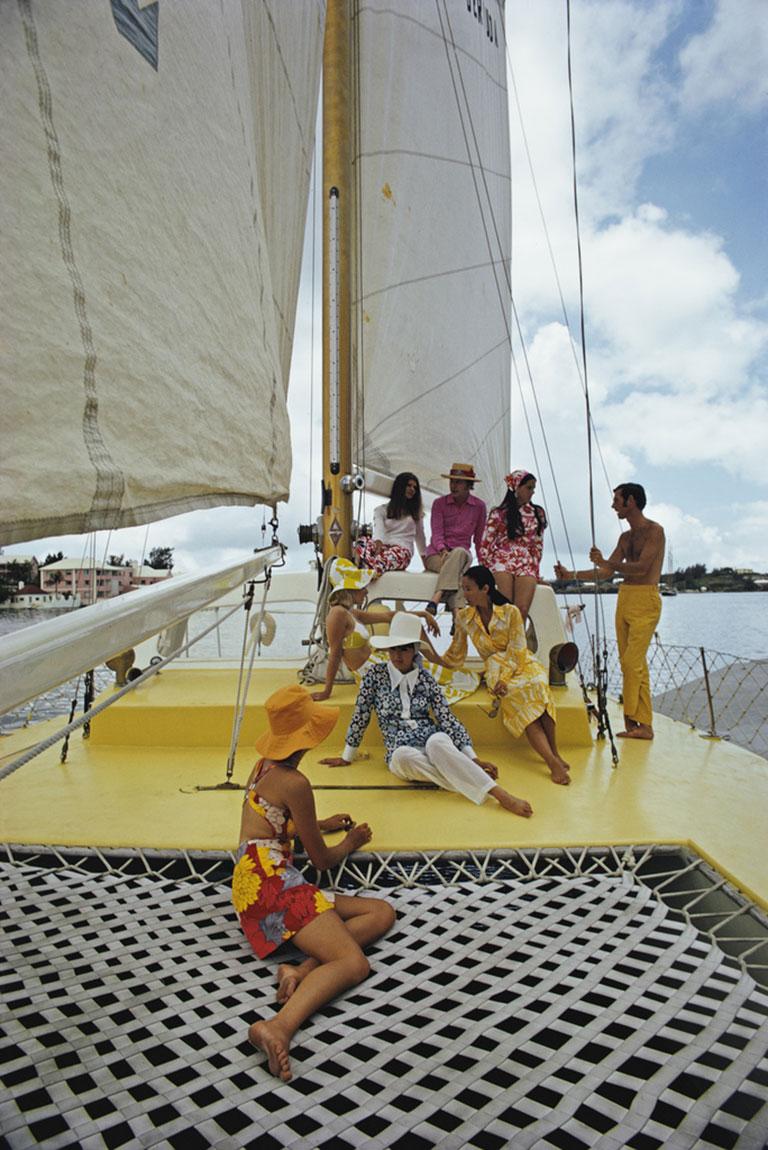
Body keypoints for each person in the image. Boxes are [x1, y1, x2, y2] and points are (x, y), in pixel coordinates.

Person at [233, 684, 396, 1082]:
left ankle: (300, 971)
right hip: (274, 886)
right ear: (308, 737)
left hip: (252, 879)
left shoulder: (263, 766)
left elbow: (275, 819)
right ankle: (279, 1027)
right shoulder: (296, 782)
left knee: (381, 912)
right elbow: (321, 860)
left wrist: (319, 824)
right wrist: (351, 841)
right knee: (352, 963)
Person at [320, 611, 533, 817]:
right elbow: (361, 715)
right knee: (403, 757)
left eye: (403, 649)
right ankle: (474, 779)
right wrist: (346, 756)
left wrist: (472, 757)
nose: (397, 655)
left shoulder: (426, 678)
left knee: (438, 742)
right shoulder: (375, 676)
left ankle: (499, 795)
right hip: (400, 748)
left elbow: (446, 718)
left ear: (414, 651)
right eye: (393, 649)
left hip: (430, 739)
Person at [433, 566, 571, 786]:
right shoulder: (464, 617)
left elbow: (518, 650)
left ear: (485, 589)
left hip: (522, 663)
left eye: (468, 589)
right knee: (520, 699)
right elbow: (455, 654)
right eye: (463, 589)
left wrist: (505, 679)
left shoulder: (510, 612)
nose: (464, 595)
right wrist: (429, 654)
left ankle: (555, 754)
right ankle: (551, 761)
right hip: (495, 671)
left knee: (537, 686)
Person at [554, 482, 665, 740]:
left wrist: (606, 561)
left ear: (632, 501)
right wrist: (571, 575)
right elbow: (606, 573)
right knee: (635, 665)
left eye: (617, 499)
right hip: (625, 598)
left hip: (646, 599)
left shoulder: (654, 531)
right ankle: (639, 724)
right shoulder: (625, 538)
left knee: (631, 662)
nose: (613, 504)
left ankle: (637, 721)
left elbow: (641, 567)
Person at [310, 557, 463, 702]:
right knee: (437, 680)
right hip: (371, 673)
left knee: (413, 625)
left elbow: (389, 616)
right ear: (350, 589)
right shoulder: (337, 614)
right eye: (363, 587)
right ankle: (441, 665)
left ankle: (439, 664)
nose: (366, 591)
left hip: (377, 662)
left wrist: (423, 614)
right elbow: (335, 654)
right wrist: (327, 691)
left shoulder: (351, 613)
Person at [478, 470, 547, 621]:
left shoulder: (537, 513)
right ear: (516, 487)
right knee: (505, 608)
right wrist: (485, 569)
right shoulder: (498, 513)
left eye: (533, 489)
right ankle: (503, 643)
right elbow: (486, 544)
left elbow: (538, 545)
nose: (532, 492)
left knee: (521, 610)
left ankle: (516, 643)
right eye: (529, 488)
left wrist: (535, 569)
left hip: (526, 562)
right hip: (502, 561)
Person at [423, 462, 487, 619]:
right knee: (460, 574)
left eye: (458, 482)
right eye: (452, 481)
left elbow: (479, 540)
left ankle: (436, 598)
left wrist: (484, 565)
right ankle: (457, 616)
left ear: (468, 485)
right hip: (437, 555)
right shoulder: (439, 504)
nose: (453, 485)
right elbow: (436, 533)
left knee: (459, 553)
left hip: (462, 555)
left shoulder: (479, 507)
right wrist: (443, 550)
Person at [354, 472, 427, 575]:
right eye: (409, 485)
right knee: (362, 541)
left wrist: (425, 561)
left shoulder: (416, 514)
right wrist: (378, 542)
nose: (412, 489)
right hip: (382, 546)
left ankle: (365, 566)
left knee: (381, 561)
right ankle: (360, 564)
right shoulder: (381, 510)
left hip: (402, 550)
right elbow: (379, 529)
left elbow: (420, 537)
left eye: (415, 487)